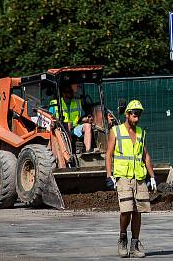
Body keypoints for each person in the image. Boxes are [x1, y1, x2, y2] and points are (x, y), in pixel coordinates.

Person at [105, 100, 156, 258]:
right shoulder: (116, 131)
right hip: (123, 176)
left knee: (138, 210)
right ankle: (122, 238)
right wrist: (109, 175)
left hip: (139, 176)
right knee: (126, 210)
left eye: (139, 113)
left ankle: (134, 244)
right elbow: (109, 154)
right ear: (127, 114)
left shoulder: (141, 132)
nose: (137, 116)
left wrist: (152, 176)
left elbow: (145, 155)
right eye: (134, 113)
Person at [48, 82, 94, 152]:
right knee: (68, 125)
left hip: (75, 128)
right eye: (69, 92)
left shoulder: (77, 103)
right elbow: (50, 117)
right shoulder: (55, 104)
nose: (72, 94)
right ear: (63, 93)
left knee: (88, 126)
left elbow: (81, 118)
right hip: (61, 129)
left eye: (71, 91)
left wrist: (87, 119)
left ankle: (88, 151)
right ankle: (68, 151)